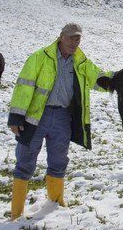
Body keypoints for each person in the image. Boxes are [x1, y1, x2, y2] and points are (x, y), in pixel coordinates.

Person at [7, 23, 110, 219]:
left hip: (62, 117)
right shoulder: (40, 57)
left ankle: (55, 205)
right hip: (36, 117)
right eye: (71, 37)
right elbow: (24, 86)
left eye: (77, 38)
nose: (74, 42)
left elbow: (98, 79)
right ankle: (16, 213)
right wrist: (16, 117)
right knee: (25, 161)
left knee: (59, 160)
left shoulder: (81, 62)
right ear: (61, 36)